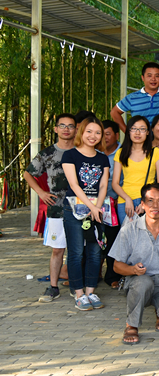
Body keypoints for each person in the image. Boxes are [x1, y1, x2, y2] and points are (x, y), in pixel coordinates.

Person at [111, 183, 159, 345]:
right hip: (138, 281)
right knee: (143, 282)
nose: (155, 205)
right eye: (150, 201)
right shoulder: (129, 230)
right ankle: (131, 325)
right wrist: (132, 270)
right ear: (142, 204)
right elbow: (116, 266)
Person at [25, 113, 75, 303]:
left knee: (79, 250)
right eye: (62, 125)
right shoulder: (47, 153)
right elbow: (28, 173)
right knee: (57, 249)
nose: (66, 129)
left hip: (79, 206)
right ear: (55, 129)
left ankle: (77, 285)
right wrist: (41, 193)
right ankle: (53, 287)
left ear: (76, 129)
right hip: (56, 207)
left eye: (70, 126)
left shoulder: (81, 150)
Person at [61, 116, 109, 311]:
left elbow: (103, 185)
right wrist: (91, 206)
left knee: (95, 252)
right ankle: (79, 293)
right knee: (76, 252)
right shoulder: (70, 155)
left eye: (97, 132)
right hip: (74, 209)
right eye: (89, 131)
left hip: (97, 209)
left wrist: (97, 207)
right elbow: (74, 184)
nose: (93, 136)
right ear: (82, 132)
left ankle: (90, 291)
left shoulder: (102, 158)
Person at [113, 115, 159, 224]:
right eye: (134, 129)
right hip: (125, 202)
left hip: (149, 201)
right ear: (128, 131)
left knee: (147, 234)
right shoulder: (121, 153)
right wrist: (127, 199)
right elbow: (115, 183)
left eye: (142, 129)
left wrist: (146, 202)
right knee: (127, 234)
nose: (137, 133)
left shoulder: (156, 153)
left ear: (148, 132)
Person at [101, 119, 122, 288]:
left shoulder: (124, 153)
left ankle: (113, 275)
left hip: (116, 204)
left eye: (107, 134)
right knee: (94, 239)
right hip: (94, 203)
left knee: (113, 240)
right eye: (101, 134)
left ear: (116, 135)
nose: (104, 137)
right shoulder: (94, 153)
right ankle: (90, 274)